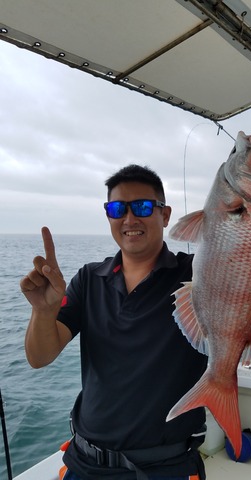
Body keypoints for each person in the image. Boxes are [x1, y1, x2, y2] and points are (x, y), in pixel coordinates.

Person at [20, 164, 208, 480]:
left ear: (165, 215)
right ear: (108, 215)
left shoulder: (197, 275)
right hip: (84, 462)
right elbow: (39, 357)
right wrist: (43, 311)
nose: (130, 219)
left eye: (144, 207)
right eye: (118, 208)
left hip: (166, 468)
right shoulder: (89, 278)